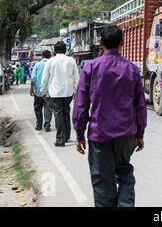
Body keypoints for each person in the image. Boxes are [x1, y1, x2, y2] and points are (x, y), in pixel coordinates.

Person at [72, 24, 147, 207]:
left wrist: (79, 134)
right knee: (125, 175)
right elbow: (140, 105)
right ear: (122, 42)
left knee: (102, 182)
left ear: (100, 42)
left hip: (100, 135)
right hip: (126, 133)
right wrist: (140, 134)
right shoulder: (132, 69)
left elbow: (81, 104)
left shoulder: (90, 68)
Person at [41, 41, 79, 147]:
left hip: (55, 92)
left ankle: (60, 139)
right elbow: (76, 77)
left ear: (54, 50)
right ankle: (66, 136)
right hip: (68, 92)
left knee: (58, 114)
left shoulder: (50, 61)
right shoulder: (71, 61)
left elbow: (44, 78)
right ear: (65, 50)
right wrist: (76, 92)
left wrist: (43, 91)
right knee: (66, 112)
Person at [30, 50, 53, 132]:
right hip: (49, 91)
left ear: (42, 56)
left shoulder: (37, 65)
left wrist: (31, 89)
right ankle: (47, 124)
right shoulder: (52, 65)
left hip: (38, 91)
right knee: (48, 108)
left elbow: (33, 78)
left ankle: (39, 124)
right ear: (50, 56)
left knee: (37, 107)